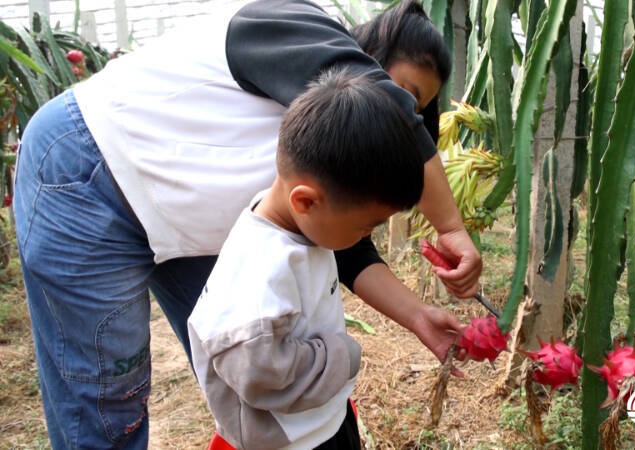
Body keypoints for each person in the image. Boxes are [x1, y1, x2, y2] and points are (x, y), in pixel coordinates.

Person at [13, 0, 481, 447]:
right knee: (110, 403)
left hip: (175, 209)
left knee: (250, 374)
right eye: (406, 100)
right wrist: (451, 229)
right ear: (369, 62)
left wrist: (418, 317)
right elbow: (388, 110)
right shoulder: (294, 25)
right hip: (86, 175)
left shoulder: (324, 160)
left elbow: (345, 245)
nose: (408, 120)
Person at [190, 68, 423, 450]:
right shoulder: (261, 269)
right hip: (289, 440)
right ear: (306, 201)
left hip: (317, 420)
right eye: (366, 227)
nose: (367, 237)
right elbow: (255, 367)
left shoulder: (301, 228)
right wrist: (343, 355)